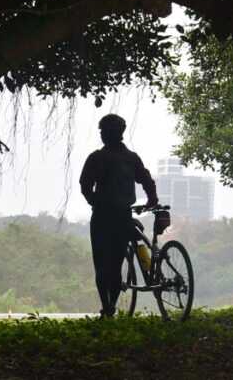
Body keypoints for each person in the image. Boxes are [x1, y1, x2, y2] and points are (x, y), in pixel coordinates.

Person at [79, 114, 159, 318]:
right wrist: (152, 199)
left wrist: (96, 202)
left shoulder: (97, 157)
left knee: (103, 265)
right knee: (115, 266)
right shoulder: (131, 158)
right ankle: (109, 307)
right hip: (122, 216)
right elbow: (147, 180)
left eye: (104, 131)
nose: (103, 134)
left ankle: (108, 307)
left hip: (103, 217)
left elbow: (85, 186)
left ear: (107, 133)